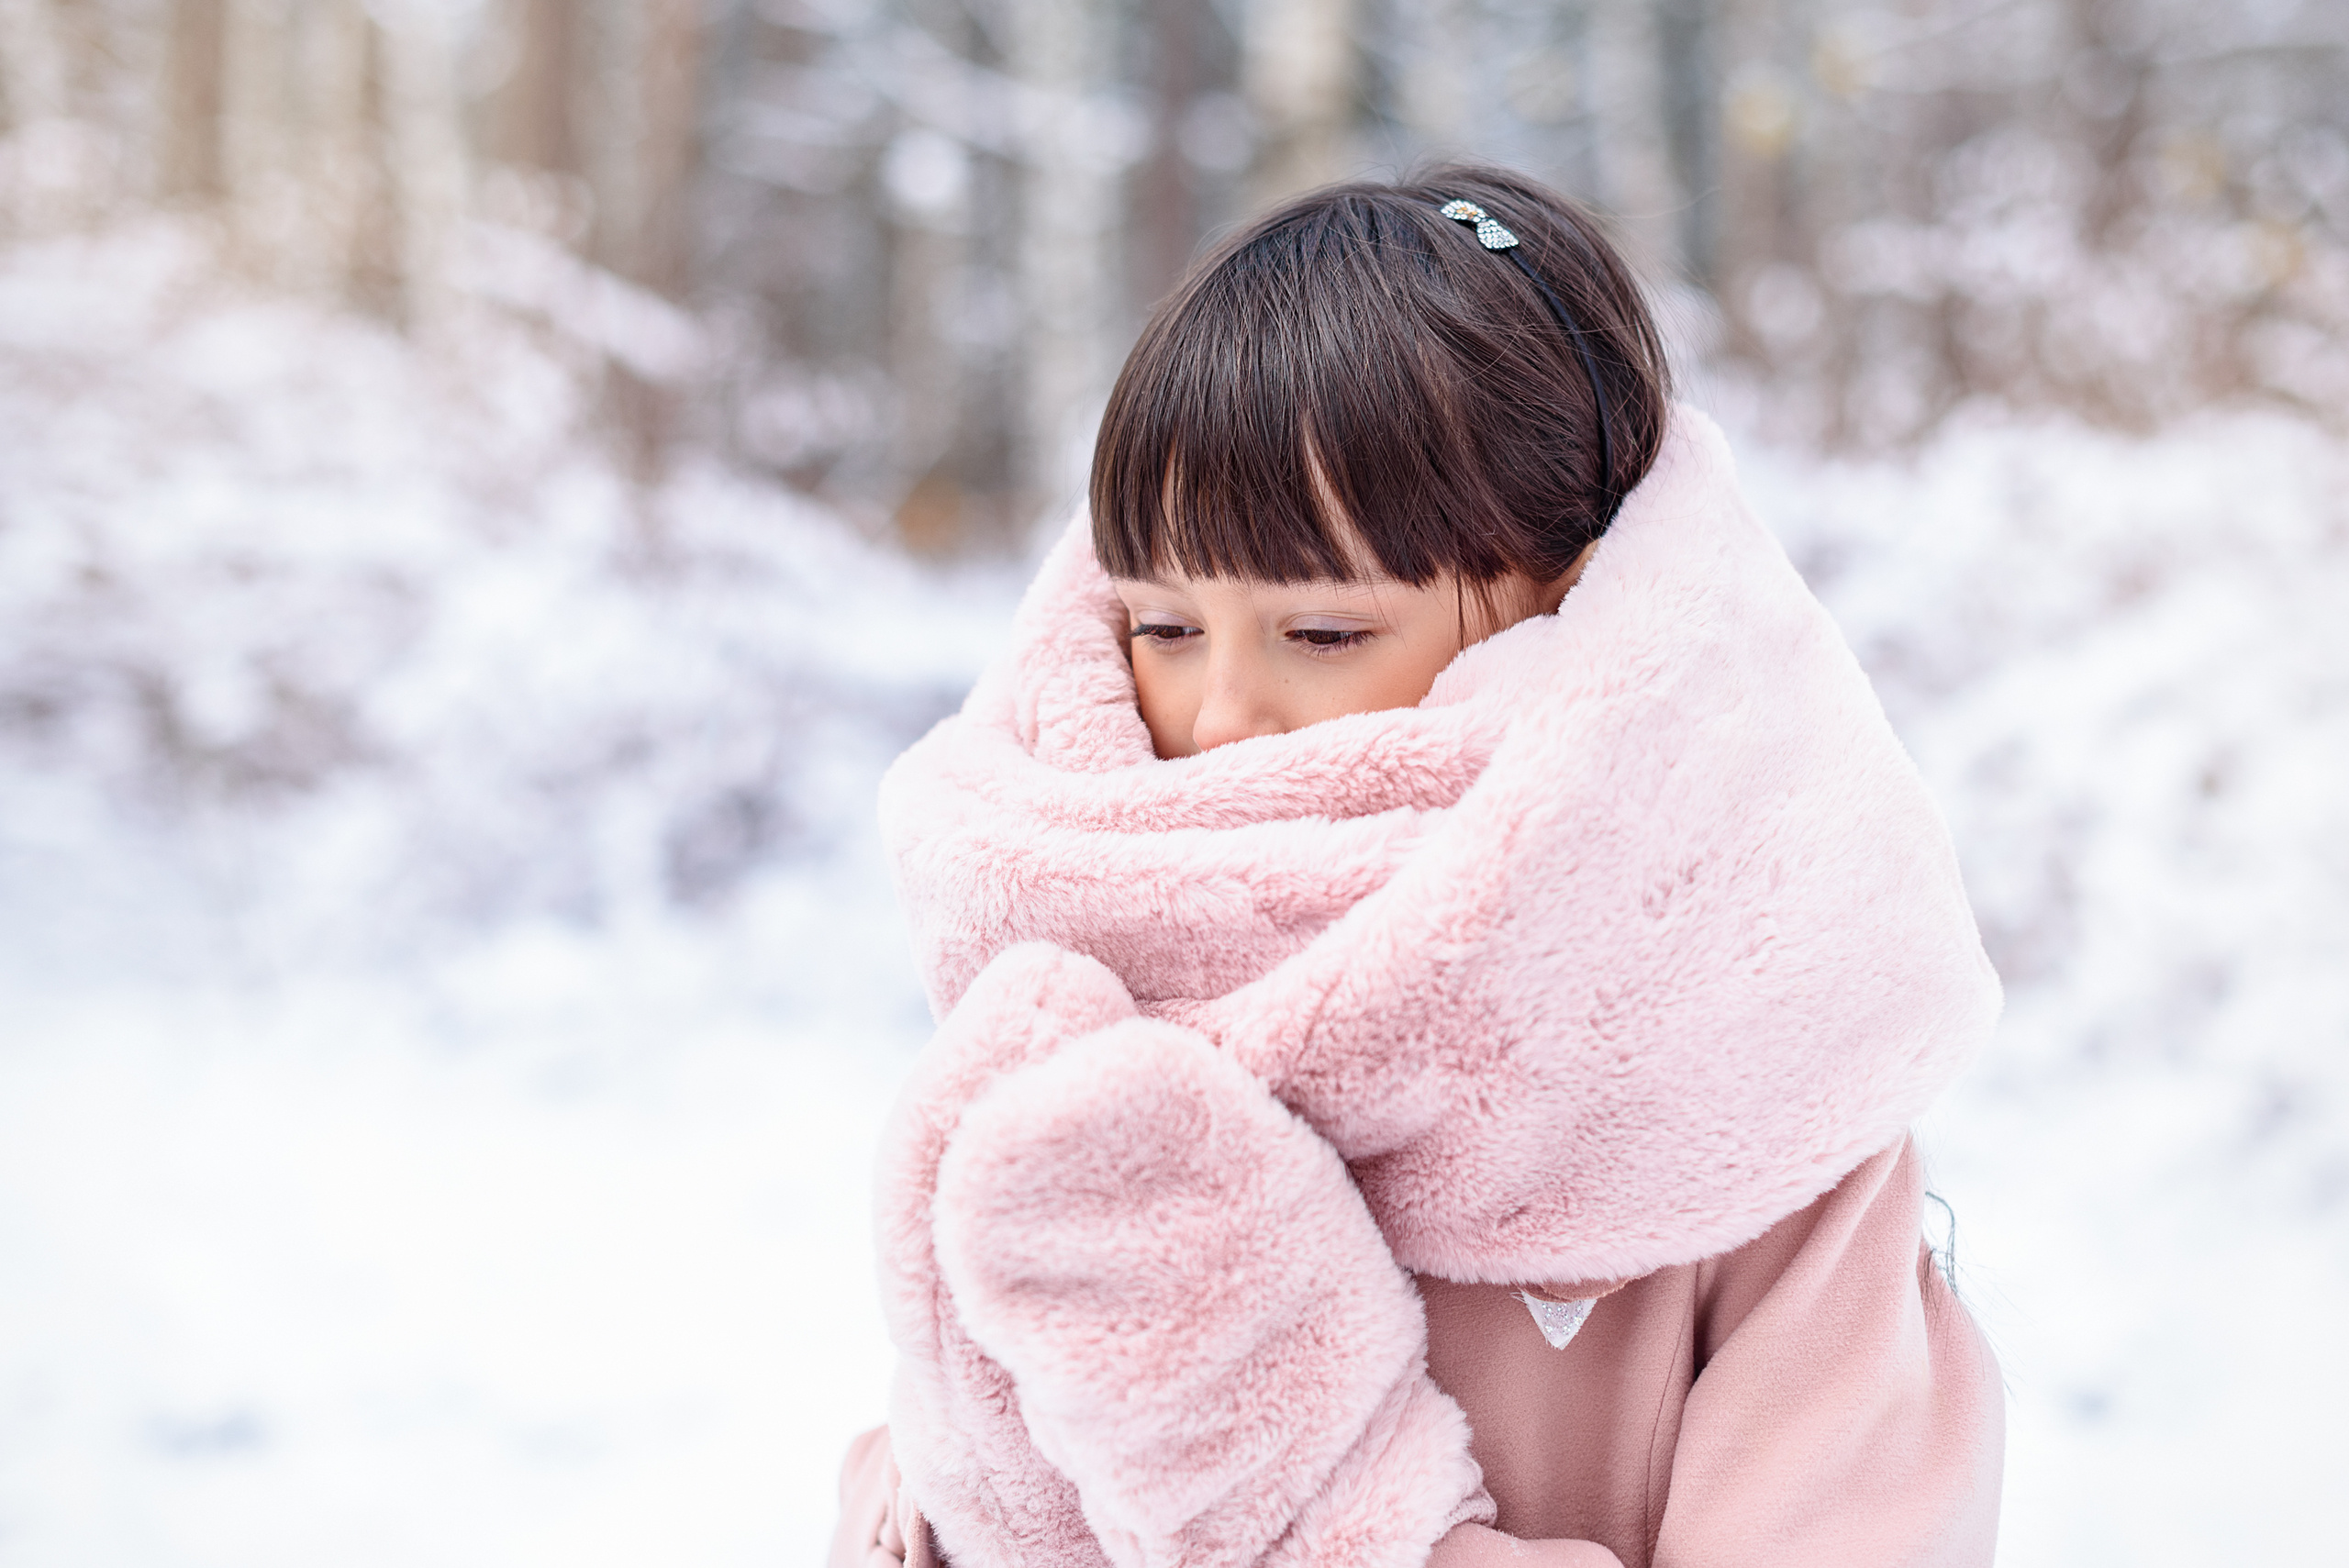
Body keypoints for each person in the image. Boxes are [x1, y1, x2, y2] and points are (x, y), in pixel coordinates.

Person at [831, 164, 2005, 1568]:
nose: (1216, 722)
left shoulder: (1757, 1106)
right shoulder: (1085, 991)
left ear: (1570, 601)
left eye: (1321, 634)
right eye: (1161, 627)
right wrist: (973, 1491)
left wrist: (1313, 1505)